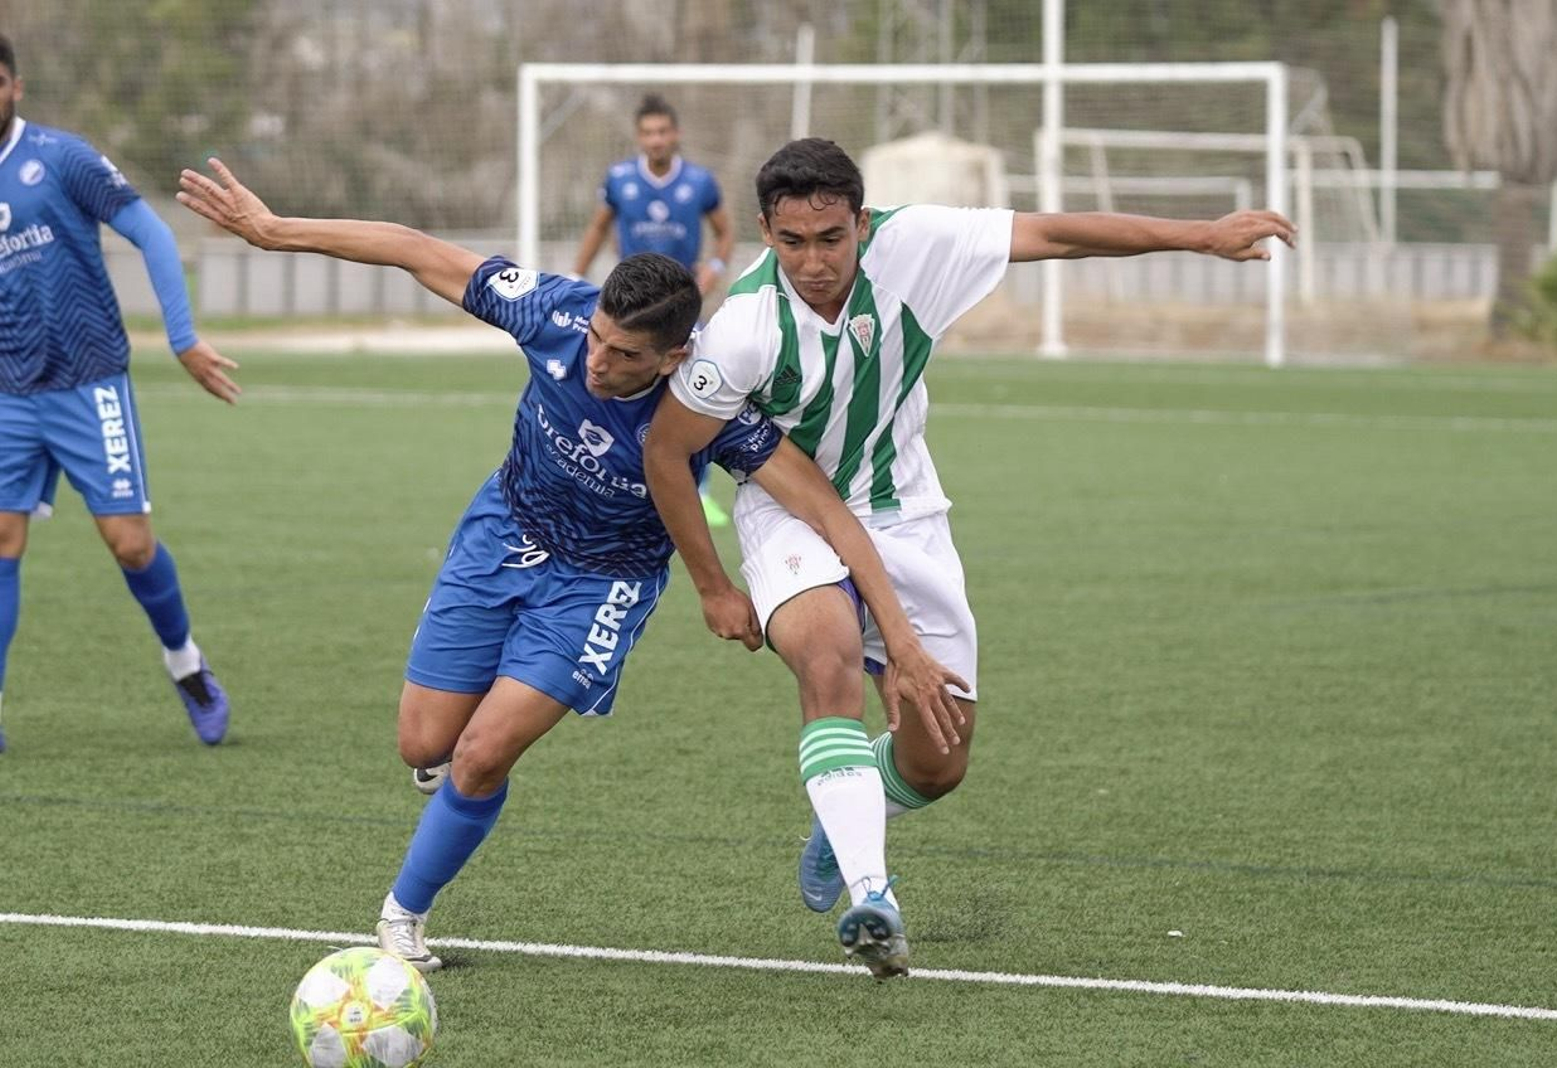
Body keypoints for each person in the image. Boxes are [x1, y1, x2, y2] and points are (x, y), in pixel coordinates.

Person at [176, 157, 966, 975]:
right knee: (424, 741)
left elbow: (828, 511)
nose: (596, 361)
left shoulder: (710, 402)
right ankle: (455, 773)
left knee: (483, 754)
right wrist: (275, 231)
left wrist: (841, 621)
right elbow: (414, 249)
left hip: (602, 584)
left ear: (673, 358)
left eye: (624, 355)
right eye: (597, 339)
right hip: (501, 533)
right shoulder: (555, 313)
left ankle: (401, 918)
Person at [642, 137, 1297, 977]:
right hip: (789, 516)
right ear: (766, 232)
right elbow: (668, 452)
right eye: (792, 242)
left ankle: (849, 807)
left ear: (862, 225)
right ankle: (872, 895)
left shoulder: (916, 248)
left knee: (938, 761)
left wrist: (1199, 235)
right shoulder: (741, 329)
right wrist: (711, 585)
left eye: (831, 239)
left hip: (905, 514)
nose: (812, 261)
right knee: (827, 656)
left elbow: (1055, 235)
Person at [0, 35, 238, 754]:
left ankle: (186, 666)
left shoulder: (61, 158)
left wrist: (183, 336)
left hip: (88, 378)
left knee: (130, 545)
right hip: (9, 392)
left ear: (13, 84)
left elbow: (152, 234)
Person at [572, 93, 736, 528]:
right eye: (648, 132)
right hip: (627, 311)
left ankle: (698, 490)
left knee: (690, 396)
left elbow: (724, 234)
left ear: (675, 134)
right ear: (638, 137)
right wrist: (575, 276)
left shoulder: (699, 183)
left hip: (679, 309)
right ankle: (619, 482)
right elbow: (599, 226)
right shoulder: (620, 179)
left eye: (663, 131)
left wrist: (713, 271)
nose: (656, 139)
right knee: (613, 389)